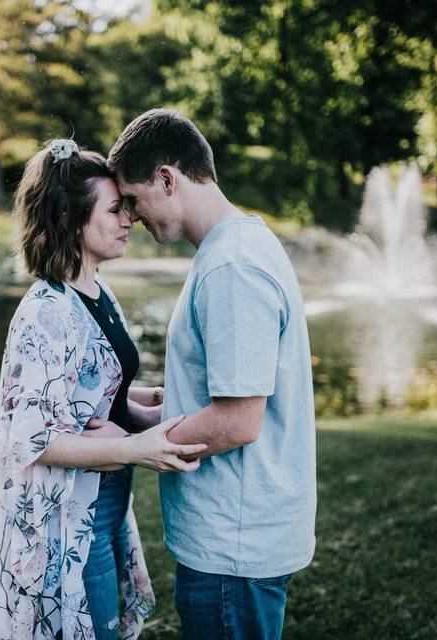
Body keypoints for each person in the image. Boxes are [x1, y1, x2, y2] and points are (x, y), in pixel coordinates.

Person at [0, 138, 207, 640]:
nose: (130, 220)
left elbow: (96, 392)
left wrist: (150, 399)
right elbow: (30, 438)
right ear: (69, 220)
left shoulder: (98, 295)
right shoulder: (45, 312)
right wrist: (135, 448)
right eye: (115, 209)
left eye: (128, 208)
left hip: (100, 511)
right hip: (63, 523)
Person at [107, 109, 317, 640]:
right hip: (232, 542)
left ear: (167, 179)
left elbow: (238, 420)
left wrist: (138, 446)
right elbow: (211, 395)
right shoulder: (230, 249)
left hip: (234, 550)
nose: (129, 216)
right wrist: (129, 414)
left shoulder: (232, 267)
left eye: (132, 198)